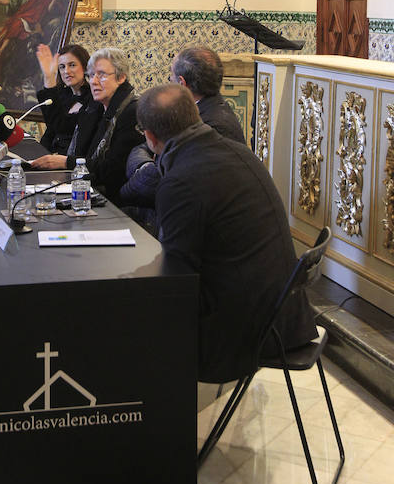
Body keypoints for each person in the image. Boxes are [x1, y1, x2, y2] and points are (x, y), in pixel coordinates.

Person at [136, 83, 318, 383]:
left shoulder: (181, 180)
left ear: (150, 138)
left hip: (243, 333)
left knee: (127, 312)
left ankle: (149, 420)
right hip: (285, 315)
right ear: (195, 113)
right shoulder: (237, 151)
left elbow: (178, 275)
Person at [120, 45, 246, 233]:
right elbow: (142, 148)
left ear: (181, 82)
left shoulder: (214, 126)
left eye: (171, 78)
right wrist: (146, 166)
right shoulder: (197, 110)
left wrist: (142, 173)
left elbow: (159, 182)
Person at [32, 47, 144, 205]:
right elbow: (63, 128)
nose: (94, 81)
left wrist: (66, 162)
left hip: (113, 202)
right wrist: (49, 79)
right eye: (91, 75)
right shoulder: (98, 106)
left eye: (102, 75)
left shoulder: (131, 112)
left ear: (121, 77)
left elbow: (114, 170)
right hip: (85, 188)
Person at [35, 42, 92, 154]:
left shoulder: (94, 99)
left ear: (85, 67)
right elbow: (50, 131)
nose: (66, 71)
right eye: (62, 67)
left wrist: (49, 78)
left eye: (72, 65)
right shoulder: (61, 95)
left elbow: (63, 128)